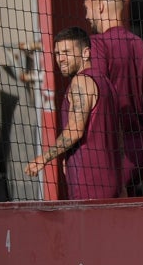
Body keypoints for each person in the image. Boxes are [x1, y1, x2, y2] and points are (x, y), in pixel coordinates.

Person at [25, 26, 122, 199]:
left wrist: (44, 158)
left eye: (67, 52)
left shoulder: (81, 81)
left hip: (88, 183)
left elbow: (75, 130)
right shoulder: (107, 84)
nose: (60, 58)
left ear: (85, 53)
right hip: (111, 182)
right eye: (57, 53)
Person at [83, 0, 143, 195]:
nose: (87, 16)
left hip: (111, 152)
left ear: (100, 7)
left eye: (87, 9)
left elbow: (96, 100)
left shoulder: (97, 45)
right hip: (140, 153)